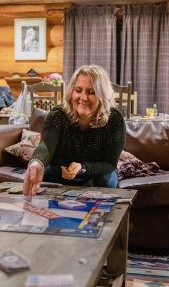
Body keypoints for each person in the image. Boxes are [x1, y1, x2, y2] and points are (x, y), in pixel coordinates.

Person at [23, 65, 125, 196]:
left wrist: (83, 168)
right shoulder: (58, 115)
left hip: (95, 173)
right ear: (71, 91)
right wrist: (37, 162)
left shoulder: (114, 118)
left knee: (107, 179)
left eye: (91, 92)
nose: (83, 97)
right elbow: (46, 145)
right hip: (58, 171)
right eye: (78, 90)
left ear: (102, 95)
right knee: (41, 174)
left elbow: (110, 164)